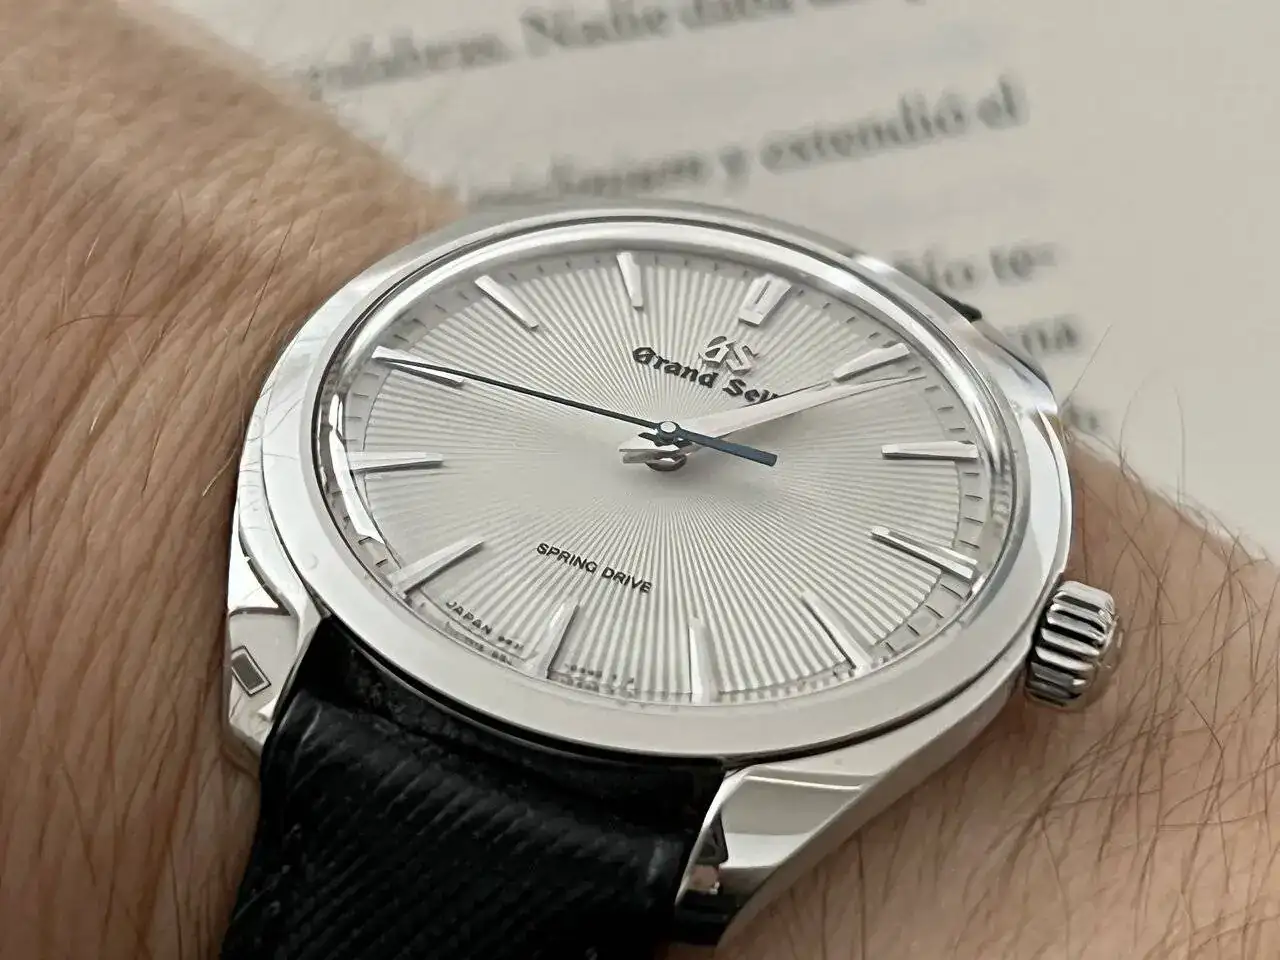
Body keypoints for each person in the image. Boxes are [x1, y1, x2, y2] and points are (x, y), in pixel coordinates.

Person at [3, 1, 1277, 957]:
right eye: (663, 430)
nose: (669, 441)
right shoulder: (281, 673)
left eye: (695, 440)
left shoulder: (724, 833)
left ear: (1058, 635)